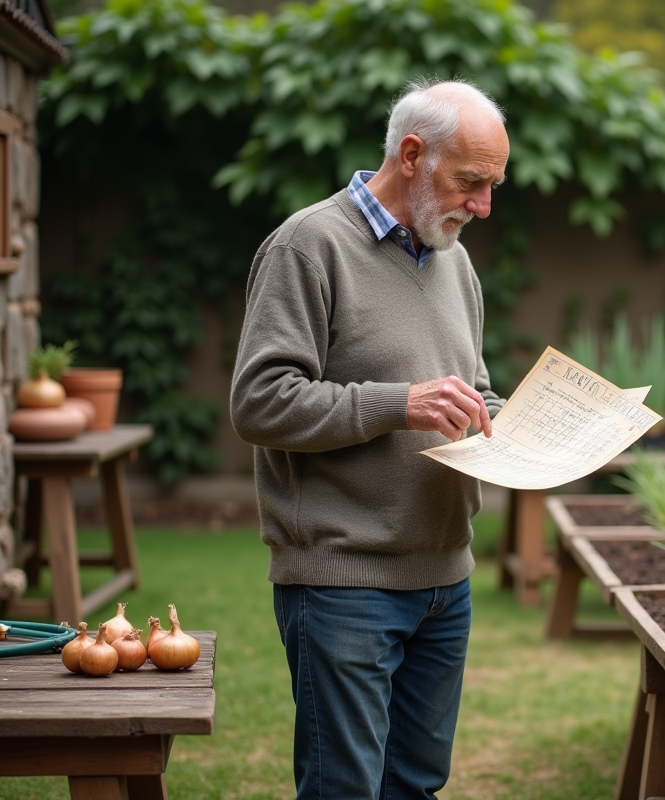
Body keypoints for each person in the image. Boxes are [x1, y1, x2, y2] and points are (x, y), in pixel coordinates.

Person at [230, 78, 509, 799]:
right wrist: (399, 404)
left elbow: (468, 388)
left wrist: (517, 423)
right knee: (343, 789)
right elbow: (260, 403)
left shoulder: (454, 258)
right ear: (412, 154)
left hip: (446, 578)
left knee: (416, 786)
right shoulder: (308, 246)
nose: (483, 206)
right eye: (471, 182)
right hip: (343, 582)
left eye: (492, 185)